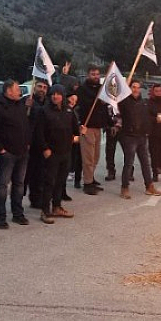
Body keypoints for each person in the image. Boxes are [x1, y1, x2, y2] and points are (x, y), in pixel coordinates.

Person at [0, 79, 32, 229]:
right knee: (2, 186)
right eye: (17, 88)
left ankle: (18, 214)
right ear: (8, 91)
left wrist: (27, 143)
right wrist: (1, 150)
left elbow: (25, 125)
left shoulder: (20, 105)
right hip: (7, 154)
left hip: (22, 152)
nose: (20, 91)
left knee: (19, 184)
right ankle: (0, 217)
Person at [34, 84, 79, 224]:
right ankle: (45, 210)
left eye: (58, 94)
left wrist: (79, 133)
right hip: (51, 152)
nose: (55, 96)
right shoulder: (44, 111)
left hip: (66, 152)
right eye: (53, 94)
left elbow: (75, 130)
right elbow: (39, 132)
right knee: (49, 182)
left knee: (60, 181)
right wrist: (45, 148)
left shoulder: (69, 111)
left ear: (63, 95)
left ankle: (57, 206)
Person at [117, 80, 161, 199]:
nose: (136, 90)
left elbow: (148, 116)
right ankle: (124, 188)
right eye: (133, 87)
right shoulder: (124, 102)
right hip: (129, 137)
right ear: (129, 88)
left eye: (138, 87)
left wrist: (154, 121)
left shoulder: (144, 103)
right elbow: (116, 105)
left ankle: (149, 186)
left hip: (142, 136)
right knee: (129, 163)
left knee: (145, 163)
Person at [76, 64, 108, 195]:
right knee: (88, 157)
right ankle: (87, 183)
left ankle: (91, 178)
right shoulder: (82, 89)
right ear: (88, 75)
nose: (95, 76)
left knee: (95, 156)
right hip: (87, 126)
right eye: (93, 74)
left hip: (97, 126)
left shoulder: (101, 89)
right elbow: (82, 105)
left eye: (97, 74)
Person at [25, 79, 49, 209]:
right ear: (34, 87)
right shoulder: (27, 101)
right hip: (28, 144)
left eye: (45, 87)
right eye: (39, 86)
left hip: (42, 144)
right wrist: (25, 107)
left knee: (40, 174)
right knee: (24, 175)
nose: (42, 89)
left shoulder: (48, 103)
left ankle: (36, 199)